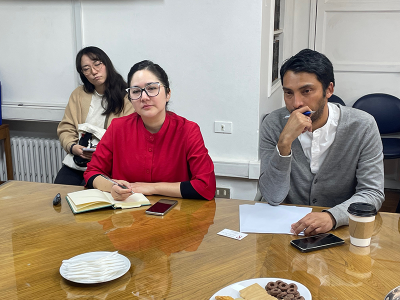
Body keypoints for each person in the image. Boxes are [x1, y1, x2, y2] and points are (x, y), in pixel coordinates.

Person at [259, 49, 384, 236]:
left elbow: (372, 192)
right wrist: (284, 144)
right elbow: (272, 196)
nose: (296, 103)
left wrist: (332, 216)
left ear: (329, 90)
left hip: (341, 228)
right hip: (286, 229)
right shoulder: (274, 123)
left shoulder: (362, 125)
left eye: (306, 91)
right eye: (288, 93)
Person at [84, 60, 216, 200]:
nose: (144, 97)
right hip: (126, 216)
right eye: (135, 91)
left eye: (152, 88)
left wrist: (152, 187)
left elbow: (206, 186)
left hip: (175, 214)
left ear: (168, 94)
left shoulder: (188, 130)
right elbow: (92, 173)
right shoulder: (117, 128)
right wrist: (111, 187)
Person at [55, 46, 134, 186]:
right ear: (82, 73)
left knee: (92, 200)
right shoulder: (78, 94)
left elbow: (129, 136)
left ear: (106, 64)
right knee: (61, 192)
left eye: (97, 64)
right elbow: (66, 127)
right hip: (77, 161)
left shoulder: (127, 96)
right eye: (86, 69)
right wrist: (73, 147)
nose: (93, 71)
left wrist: (102, 151)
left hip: (107, 165)